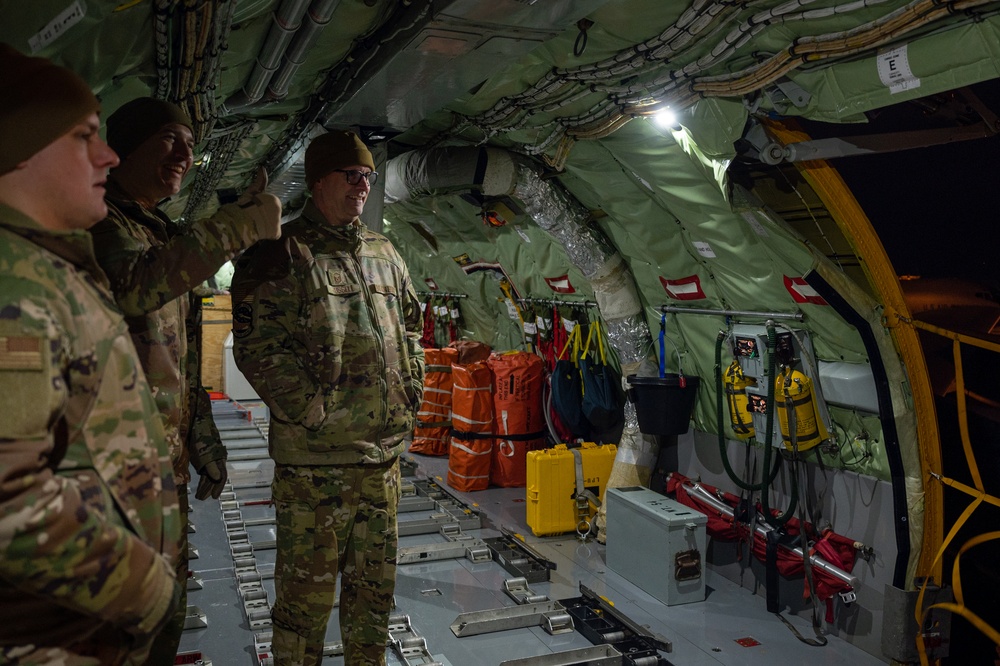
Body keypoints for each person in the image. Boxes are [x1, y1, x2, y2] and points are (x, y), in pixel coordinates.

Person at [0, 44, 182, 665]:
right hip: (60, 636)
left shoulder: (50, 267)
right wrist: (149, 590)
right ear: (19, 147)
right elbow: (7, 499)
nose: (106, 155)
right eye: (83, 138)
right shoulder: (13, 284)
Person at [88, 96, 283, 663]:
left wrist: (203, 442)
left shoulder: (157, 230)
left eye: (192, 144)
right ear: (123, 146)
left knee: (163, 612)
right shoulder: (100, 221)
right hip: (112, 476)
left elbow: (181, 357)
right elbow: (132, 287)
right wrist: (232, 228)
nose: (185, 153)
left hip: (162, 468)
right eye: (170, 138)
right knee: (119, 627)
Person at [230, 131, 425, 665]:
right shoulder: (282, 254)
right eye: (350, 175)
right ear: (318, 181)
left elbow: (411, 330)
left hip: (380, 464)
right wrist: (314, 413)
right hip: (317, 467)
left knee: (373, 601)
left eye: (368, 177)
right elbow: (258, 347)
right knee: (303, 608)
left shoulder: (384, 253)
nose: (362, 186)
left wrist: (410, 392)